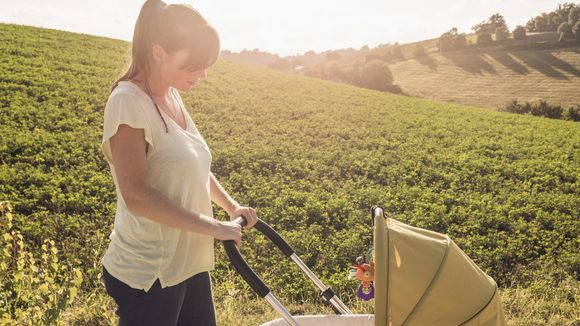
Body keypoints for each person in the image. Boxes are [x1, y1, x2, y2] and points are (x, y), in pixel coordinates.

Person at [99, 1, 258, 325]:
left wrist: (231, 208)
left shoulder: (172, 96)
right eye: (194, 65)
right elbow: (137, 195)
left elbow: (194, 164)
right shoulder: (127, 102)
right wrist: (215, 228)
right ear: (159, 52)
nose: (202, 74)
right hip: (149, 275)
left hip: (188, 262)